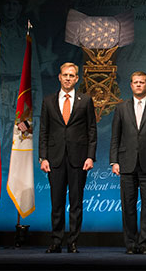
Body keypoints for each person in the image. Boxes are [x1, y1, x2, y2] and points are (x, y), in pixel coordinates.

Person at [110, 71, 146, 255]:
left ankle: (144, 244)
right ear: (130, 85)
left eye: (141, 82)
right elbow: (115, 137)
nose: (138, 85)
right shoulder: (121, 107)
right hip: (126, 163)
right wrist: (114, 161)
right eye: (135, 82)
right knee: (127, 206)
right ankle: (130, 244)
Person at [39, 62, 97, 253]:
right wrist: (43, 157)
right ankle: (56, 241)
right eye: (65, 75)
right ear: (59, 77)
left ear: (77, 78)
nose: (67, 78)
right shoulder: (48, 101)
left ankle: (73, 242)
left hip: (78, 159)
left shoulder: (85, 100)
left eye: (71, 75)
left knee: (76, 203)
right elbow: (44, 131)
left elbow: (91, 130)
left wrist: (90, 156)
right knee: (56, 203)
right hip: (54, 159)